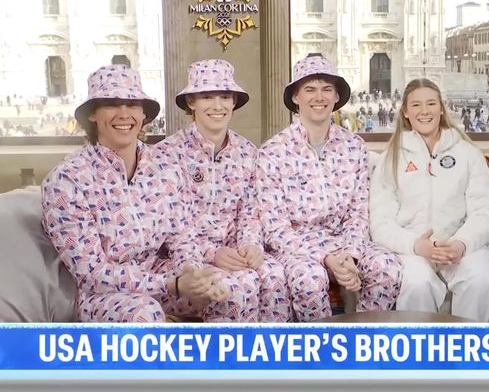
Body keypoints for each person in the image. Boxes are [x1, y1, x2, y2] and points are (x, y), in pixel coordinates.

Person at [41, 65, 234, 322]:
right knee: (146, 313)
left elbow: (182, 235)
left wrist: (191, 271)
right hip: (106, 295)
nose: (124, 114)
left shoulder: (165, 165)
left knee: (230, 291)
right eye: (112, 104)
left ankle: (223, 362)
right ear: (92, 115)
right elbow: (91, 273)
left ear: (143, 114)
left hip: (165, 276)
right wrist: (172, 284)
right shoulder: (66, 180)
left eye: (132, 105)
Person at [255, 56, 402, 322]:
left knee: (387, 268)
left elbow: (358, 212)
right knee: (309, 281)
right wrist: (325, 258)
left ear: (336, 96)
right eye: (310, 89)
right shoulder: (272, 152)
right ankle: (322, 352)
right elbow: (275, 227)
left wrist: (351, 255)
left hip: (346, 243)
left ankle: (361, 342)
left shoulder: (354, 146)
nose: (319, 97)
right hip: (298, 248)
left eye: (326, 89)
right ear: (296, 97)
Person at [156, 59, 291, 322]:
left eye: (224, 97)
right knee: (238, 289)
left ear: (233, 102)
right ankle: (229, 361)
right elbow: (169, 229)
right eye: (207, 96)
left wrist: (250, 244)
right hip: (188, 260)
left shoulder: (248, 151)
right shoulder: (165, 155)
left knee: (275, 276)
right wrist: (212, 254)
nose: (217, 106)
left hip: (236, 254)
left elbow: (251, 211)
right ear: (191, 103)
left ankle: (274, 359)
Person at [370, 78, 489, 321]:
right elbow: (381, 221)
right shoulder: (392, 157)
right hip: (412, 249)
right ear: (406, 112)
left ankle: (469, 353)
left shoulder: (468, 154)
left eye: (431, 103)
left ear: (442, 108)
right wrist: (416, 245)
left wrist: (461, 243)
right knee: (418, 283)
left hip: (461, 246)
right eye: (416, 105)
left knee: (478, 280)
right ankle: (421, 354)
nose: (425, 111)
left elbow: (484, 211)